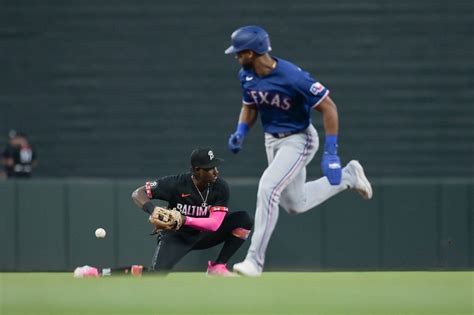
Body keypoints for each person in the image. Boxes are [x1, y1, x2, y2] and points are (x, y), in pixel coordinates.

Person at [224, 25, 373, 276]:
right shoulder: (246, 75)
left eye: (240, 52)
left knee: (268, 188)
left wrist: (331, 151)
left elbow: (329, 107)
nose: (237, 57)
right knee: (295, 203)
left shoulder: (293, 77)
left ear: (252, 52)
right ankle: (349, 177)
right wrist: (241, 131)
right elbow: (250, 106)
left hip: (299, 139)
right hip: (272, 140)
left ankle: (254, 261)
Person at [131, 147, 253, 276]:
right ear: (197, 170)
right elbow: (138, 193)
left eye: (216, 167)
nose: (216, 172)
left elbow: (214, 224)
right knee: (155, 275)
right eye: (210, 168)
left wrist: (184, 219)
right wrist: (153, 210)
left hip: (205, 234)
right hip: (178, 236)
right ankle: (119, 272)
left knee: (245, 220)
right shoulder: (176, 184)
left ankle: (218, 266)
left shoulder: (220, 187)